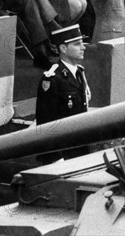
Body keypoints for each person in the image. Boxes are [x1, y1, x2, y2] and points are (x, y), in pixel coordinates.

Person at [35, 24, 91, 163]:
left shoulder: (79, 73)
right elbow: (45, 123)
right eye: (77, 44)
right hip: (61, 157)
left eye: (82, 43)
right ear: (63, 48)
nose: (83, 47)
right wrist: (55, 158)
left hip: (79, 150)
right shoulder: (52, 79)